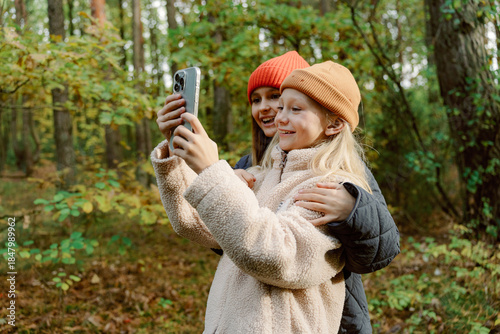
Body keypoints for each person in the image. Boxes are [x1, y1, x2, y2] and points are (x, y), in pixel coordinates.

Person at [156, 52, 399, 333]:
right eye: (279, 106)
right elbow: (194, 223)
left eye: (294, 109)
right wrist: (175, 152)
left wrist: (214, 172)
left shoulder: (331, 186)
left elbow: (275, 256)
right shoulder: (260, 172)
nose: (278, 116)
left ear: (334, 124)